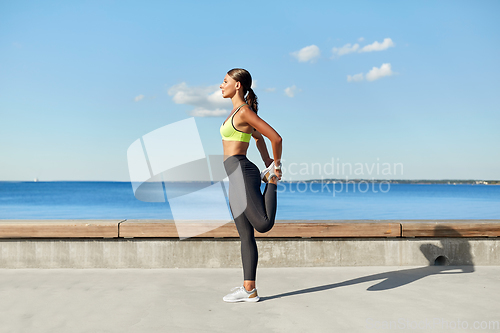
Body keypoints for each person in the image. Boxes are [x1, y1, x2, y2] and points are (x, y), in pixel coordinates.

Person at [219, 68, 283, 303]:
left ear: (237, 85)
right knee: (245, 235)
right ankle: (249, 289)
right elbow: (257, 137)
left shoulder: (244, 111)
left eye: (225, 81)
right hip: (233, 174)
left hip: (242, 171)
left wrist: (274, 167)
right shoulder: (235, 113)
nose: (220, 85)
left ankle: (272, 183)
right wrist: (266, 160)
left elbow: (275, 137)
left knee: (263, 224)